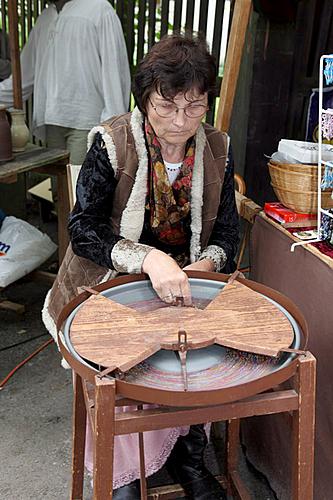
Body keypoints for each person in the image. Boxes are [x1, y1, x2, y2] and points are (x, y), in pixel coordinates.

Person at [43, 33, 239, 499]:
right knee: (125, 364)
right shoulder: (113, 142)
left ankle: (189, 461)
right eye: (166, 107)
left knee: (205, 351)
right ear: (145, 99)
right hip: (107, 282)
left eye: (194, 107)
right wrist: (149, 258)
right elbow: (84, 228)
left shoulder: (216, 147)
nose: (180, 121)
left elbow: (228, 234)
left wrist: (205, 263)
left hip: (182, 284)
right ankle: (125, 473)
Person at [0, 0, 131, 164]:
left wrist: (112, 127)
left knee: (77, 184)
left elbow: (114, 72)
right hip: (52, 119)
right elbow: (23, 78)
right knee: (58, 185)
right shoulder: (45, 18)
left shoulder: (99, 10)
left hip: (86, 122)